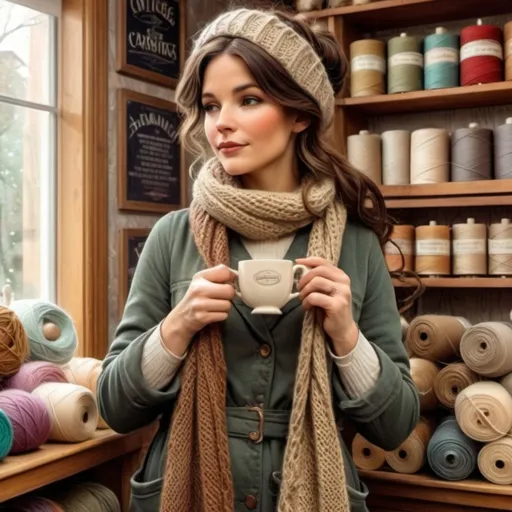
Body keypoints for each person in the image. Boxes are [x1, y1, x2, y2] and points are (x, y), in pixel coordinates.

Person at [97, 7, 420, 512]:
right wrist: (176, 328)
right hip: (186, 489)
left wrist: (346, 337)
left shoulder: (354, 243)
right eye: (209, 105)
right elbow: (114, 407)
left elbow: (395, 424)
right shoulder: (172, 236)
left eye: (248, 100)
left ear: (300, 113)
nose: (221, 124)